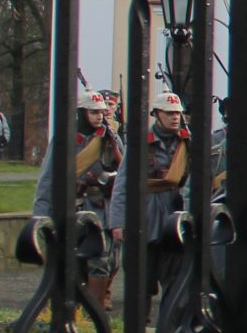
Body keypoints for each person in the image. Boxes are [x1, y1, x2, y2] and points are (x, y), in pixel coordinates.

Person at [33, 92, 124, 311]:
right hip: (71, 208)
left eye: (102, 112)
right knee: (69, 263)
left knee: (101, 262)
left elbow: (123, 176)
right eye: (93, 112)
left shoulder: (110, 138)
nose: (99, 116)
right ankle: (67, 311)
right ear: (82, 113)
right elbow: (48, 178)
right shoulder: (65, 138)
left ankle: (95, 312)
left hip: (101, 208)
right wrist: (41, 215)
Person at [105, 92, 192, 301]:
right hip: (146, 218)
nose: (175, 118)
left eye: (178, 114)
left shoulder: (189, 143)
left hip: (177, 217)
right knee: (141, 281)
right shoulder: (142, 143)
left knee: (176, 282)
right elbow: (123, 183)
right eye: (169, 113)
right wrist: (118, 222)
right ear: (156, 114)